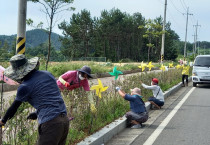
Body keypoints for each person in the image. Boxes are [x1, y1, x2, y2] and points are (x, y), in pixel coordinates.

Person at [0, 54, 69, 145]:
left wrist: (3, 121)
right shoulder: (47, 74)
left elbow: (14, 107)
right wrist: (37, 113)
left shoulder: (25, 86)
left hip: (51, 123)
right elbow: (52, 98)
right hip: (64, 120)